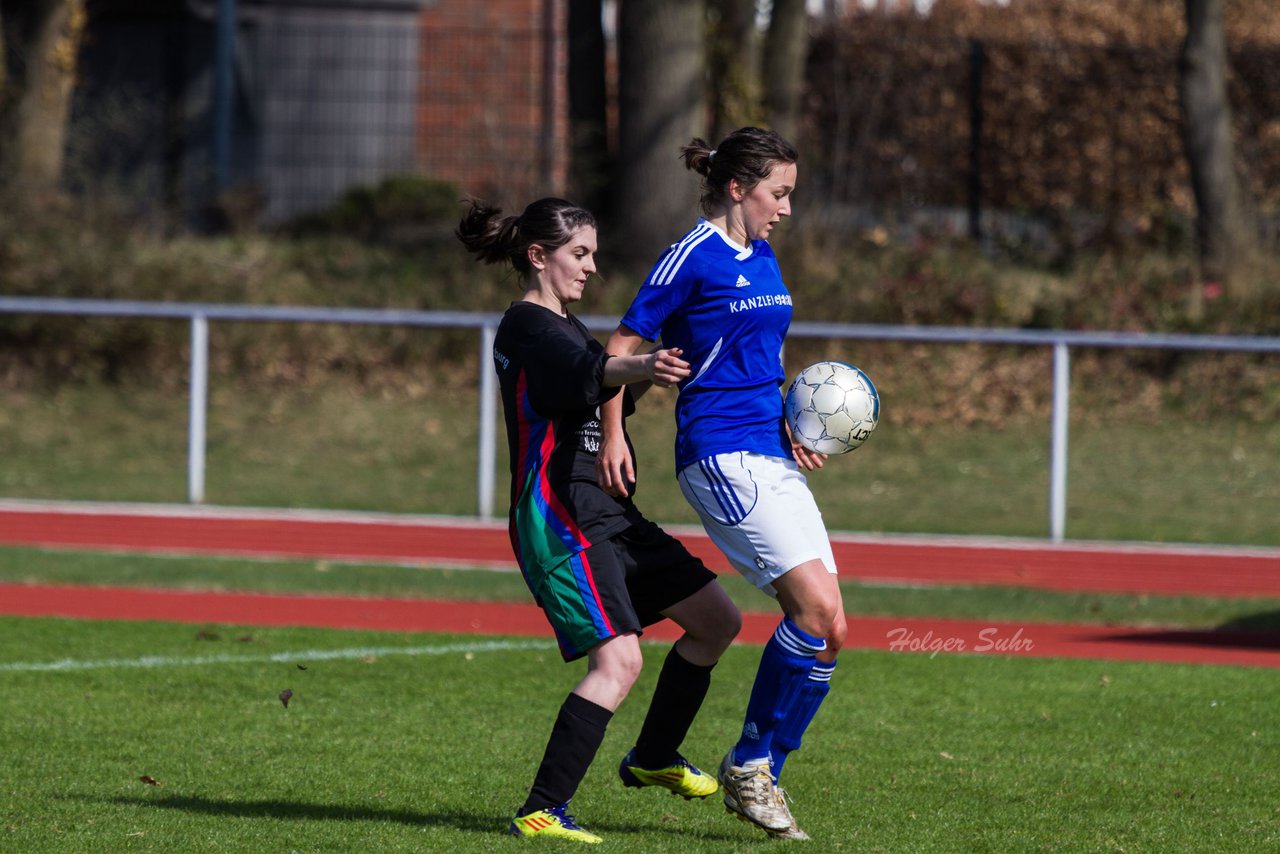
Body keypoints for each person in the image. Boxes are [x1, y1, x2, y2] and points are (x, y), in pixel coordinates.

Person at [455, 197, 742, 845]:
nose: (591, 267)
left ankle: (654, 757)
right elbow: (586, 374)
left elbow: (601, 387)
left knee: (716, 620)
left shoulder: (570, 328)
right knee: (618, 661)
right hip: (558, 512)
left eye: (592, 254)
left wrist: (663, 363)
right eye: (579, 254)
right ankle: (541, 809)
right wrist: (640, 364)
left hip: (607, 510)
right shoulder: (526, 327)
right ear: (539, 256)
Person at [597, 127, 844, 842]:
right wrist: (615, 432)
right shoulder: (690, 257)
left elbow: (761, 353)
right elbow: (618, 350)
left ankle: (762, 764)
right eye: (779, 193)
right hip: (720, 455)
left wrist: (793, 421)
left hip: (772, 448)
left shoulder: (762, 253)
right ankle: (749, 766)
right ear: (738, 188)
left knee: (833, 632)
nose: (787, 209)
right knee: (813, 607)